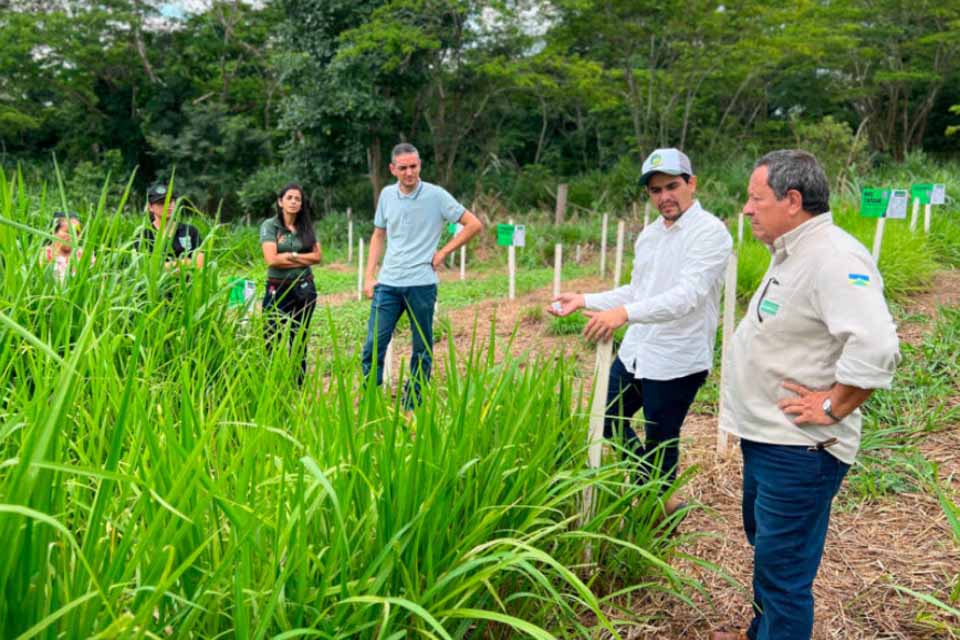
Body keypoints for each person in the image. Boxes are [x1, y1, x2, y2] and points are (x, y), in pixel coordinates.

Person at [711, 150, 900, 640]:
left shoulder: (834, 258)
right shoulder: (796, 253)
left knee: (785, 573)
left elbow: (877, 345)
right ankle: (762, 631)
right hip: (770, 438)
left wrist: (833, 403)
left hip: (800, 449)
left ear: (792, 200)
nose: (747, 209)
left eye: (756, 199)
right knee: (771, 554)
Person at [549, 148, 732, 515]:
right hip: (637, 351)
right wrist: (586, 298)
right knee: (605, 417)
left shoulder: (710, 233)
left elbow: (687, 297)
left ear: (691, 184)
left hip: (677, 357)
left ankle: (658, 517)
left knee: (661, 439)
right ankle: (658, 492)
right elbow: (639, 291)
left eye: (672, 186)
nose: (664, 197)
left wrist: (624, 314)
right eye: (655, 190)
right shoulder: (649, 235)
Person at [361, 142, 482, 408]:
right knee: (373, 345)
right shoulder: (387, 196)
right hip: (388, 284)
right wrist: (369, 276)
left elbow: (473, 224)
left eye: (413, 166)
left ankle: (412, 403)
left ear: (420, 165)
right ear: (393, 169)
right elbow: (378, 234)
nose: (409, 173)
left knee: (422, 348)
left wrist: (443, 253)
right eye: (403, 168)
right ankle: (370, 399)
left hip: (422, 285)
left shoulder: (436, 196)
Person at [260, 183, 322, 385]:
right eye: (290, 198)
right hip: (277, 287)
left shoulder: (306, 226)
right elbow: (272, 259)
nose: (294, 202)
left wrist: (291, 255)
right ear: (280, 201)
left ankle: (298, 385)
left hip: (304, 288)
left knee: (299, 338)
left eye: (298, 199)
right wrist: (303, 257)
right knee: (272, 336)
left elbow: (318, 257)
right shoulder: (271, 226)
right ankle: (272, 382)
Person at [139, 184, 204, 269]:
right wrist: (187, 262)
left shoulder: (190, 230)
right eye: (161, 203)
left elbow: (200, 263)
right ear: (150, 207)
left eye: (170, 201)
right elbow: (150, 268)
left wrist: (169, 265)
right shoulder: (145, 235)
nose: (168, 206)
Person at [43, 211, 88, 282]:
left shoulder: (85, 256)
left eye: (77, 233)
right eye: (68, 231)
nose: (73, 236)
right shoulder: (44, 254)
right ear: (54, 232)